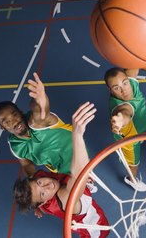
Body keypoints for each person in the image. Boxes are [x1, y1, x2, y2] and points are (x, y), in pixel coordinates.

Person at [13, 102, 109, 238]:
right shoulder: (65, 198)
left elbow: (35, 189)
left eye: (39, 183)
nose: (46, 186)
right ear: (44, 202)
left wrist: (36, 207)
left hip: (70, 216)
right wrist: (77, 135)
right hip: (93, 227)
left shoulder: (38, 186)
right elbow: (78, 175)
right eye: (42, 194)